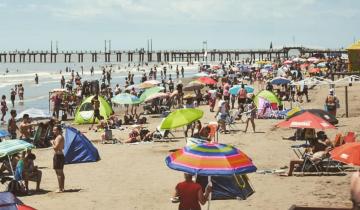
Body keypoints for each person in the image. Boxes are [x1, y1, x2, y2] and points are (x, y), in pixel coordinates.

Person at [51, 125, 65, 193]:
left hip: (58, 156)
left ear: (59, 130)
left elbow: (56, 148)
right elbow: (62, 147)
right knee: (61, 173)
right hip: (60, 155)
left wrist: (52, 143)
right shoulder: (60, 137)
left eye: (55, 130)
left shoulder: (59, 137)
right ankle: (62, 187)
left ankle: (60, 188)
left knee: (58, 173)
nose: (53, 131)